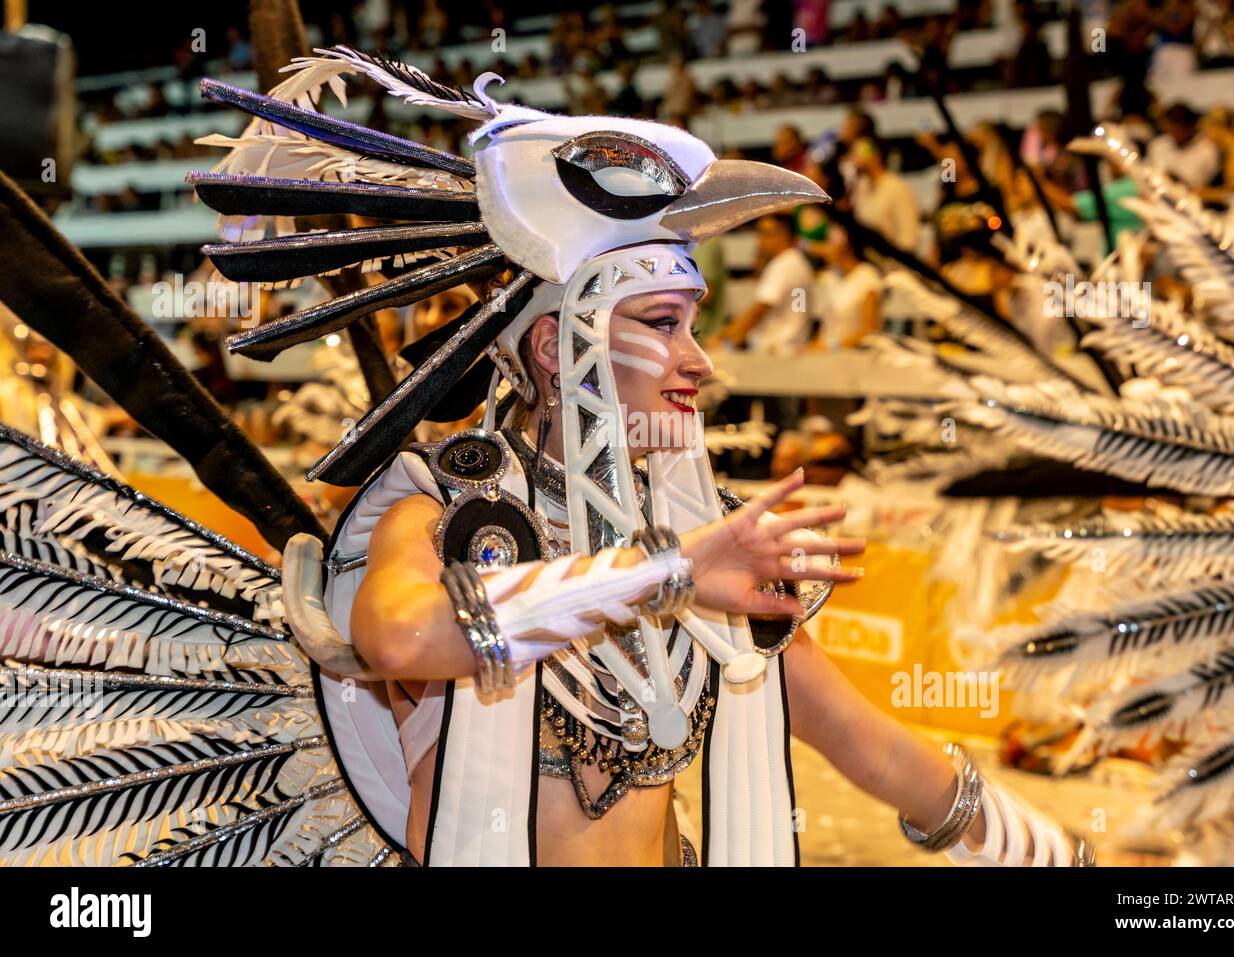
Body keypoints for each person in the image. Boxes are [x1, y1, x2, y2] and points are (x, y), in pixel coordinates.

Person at [0, 42, 1092, 870]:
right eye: (662, 322)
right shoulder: (443, 505)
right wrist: (666, 575)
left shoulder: (714, 570)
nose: (699, 364)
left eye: (692, 324)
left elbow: (889, 761)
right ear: (553, 341)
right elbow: (399, 634)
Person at [716, 212, 817, 354]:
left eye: (765, 233)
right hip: (793, 346)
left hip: (776, 350)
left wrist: (725, 339)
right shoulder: (798, 262)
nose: (760, 240)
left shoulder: (782, 264)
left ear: (783, 235)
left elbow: (759, 310)